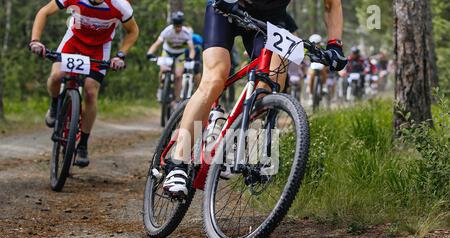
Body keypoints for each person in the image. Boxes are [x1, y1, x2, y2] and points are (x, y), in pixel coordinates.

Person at [163, 0, 348, 198]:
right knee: (215, 78)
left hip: (271, 19)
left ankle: (237, 143)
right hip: (226, 8)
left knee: (271, 83)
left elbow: (332, 4)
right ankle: (178, 163)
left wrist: (334, 44)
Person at [29, 0, 139, 167]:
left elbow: (133, 31)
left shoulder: (120, 5)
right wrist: (35, 40)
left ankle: (83, 145)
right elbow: (44, 12)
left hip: (100, 48)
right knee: (56, 76)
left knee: (90, 92)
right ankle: (54, 105)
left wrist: (120, 55)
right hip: (73, 42)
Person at [147, 11, 196, 104]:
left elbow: (192, 49)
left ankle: (177, 99)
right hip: (167, 52)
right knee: (163, 69)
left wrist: (191, 57)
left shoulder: (186, 32)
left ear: (182, 25)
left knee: (178, 75)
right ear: (173, 25)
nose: (178, 28)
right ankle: (161, 89)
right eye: (176, 26)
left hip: (179, 54)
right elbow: (157, 43)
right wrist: (150, 53)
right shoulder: (167, 31)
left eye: (179, 26)